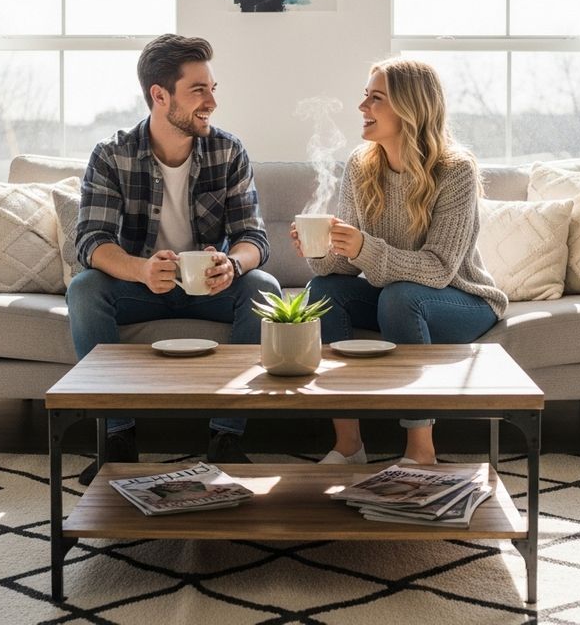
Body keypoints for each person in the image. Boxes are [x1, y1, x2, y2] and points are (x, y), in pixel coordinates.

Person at [68, 34, 281, 472]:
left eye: (213, 89)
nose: (211, 102)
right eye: (198, 90)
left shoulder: (228, 150)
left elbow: (253, 238)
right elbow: (91, 241)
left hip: (209, 287)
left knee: (263, 286)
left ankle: (226, 437)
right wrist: (141, 270)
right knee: (86, 289)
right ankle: (117, 438)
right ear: (159, 95)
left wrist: (233, 264)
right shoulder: (112, 154)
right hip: (140, 286)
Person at [293, 57, 508, 465]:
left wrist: (364, 248)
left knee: (400, 297)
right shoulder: (361, 165)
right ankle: (349, 445)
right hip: (393, 293)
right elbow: (346, 268)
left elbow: (439, 269)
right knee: (321, 291)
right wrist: (322, 251)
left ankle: (421, 450)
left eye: (376, 99)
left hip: (462, 299)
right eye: (365, 96)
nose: (363, 107)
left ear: (410, 109)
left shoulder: (456, 170)